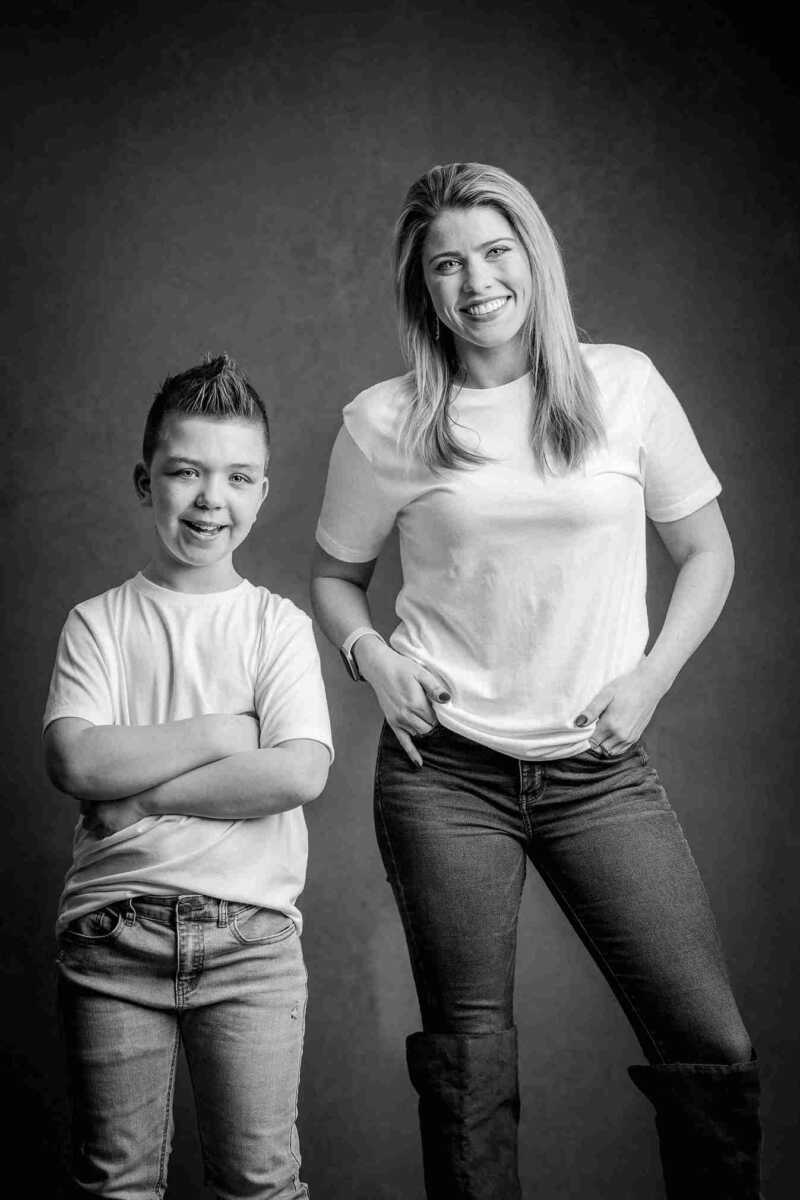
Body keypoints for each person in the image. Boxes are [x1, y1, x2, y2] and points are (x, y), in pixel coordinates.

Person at [310, 163, 761, 1199]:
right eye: (445, 265)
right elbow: (335, 577)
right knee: (468, 1073)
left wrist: (647, 679)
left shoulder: (624, 385)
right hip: (443, 778)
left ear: (532, 257)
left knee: (709, 1047)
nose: (474, 281)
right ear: (422, 288)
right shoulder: (381, 422)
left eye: (493, 252)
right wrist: (371, 656)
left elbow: (708, 553)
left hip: (599, 773)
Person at [43, 354, 332, 1199]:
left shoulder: (276, 626)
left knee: (261, 1182)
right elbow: (74, 760)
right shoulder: (98, 623)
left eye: (238, 476)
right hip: (111, 939)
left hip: (253, 945)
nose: (213, 498)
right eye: (186, 472)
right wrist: (219, 731)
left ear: (263, 492)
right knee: (117, 1185)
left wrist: (137, 793)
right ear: (146, 482)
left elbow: (298, 772)